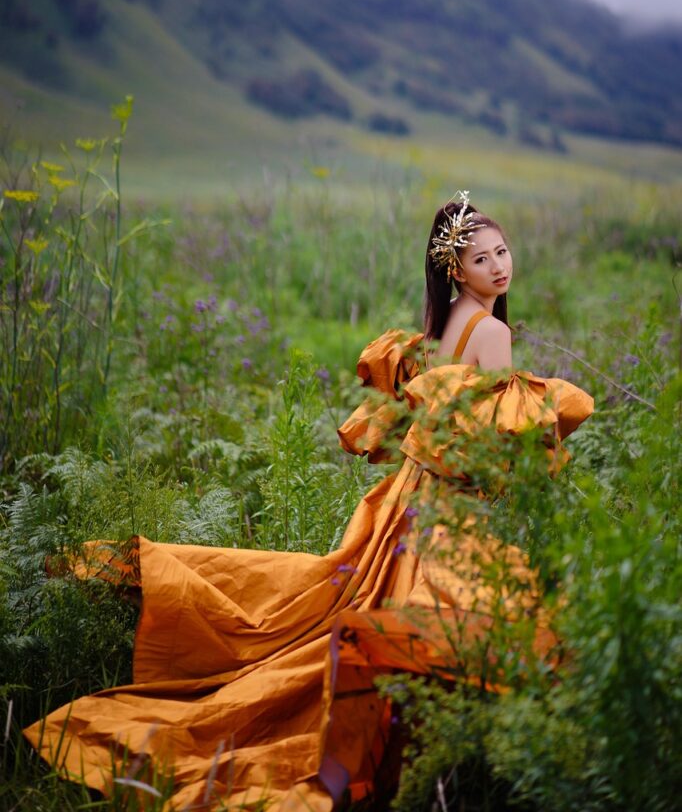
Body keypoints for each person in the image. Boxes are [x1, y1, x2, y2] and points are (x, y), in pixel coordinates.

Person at [24, 193, 593, 812]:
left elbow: (429, 421)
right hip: (446, 502)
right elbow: (492, 443)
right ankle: (437, 753)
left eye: (503, 252)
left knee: (378, 601)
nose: (499, 266)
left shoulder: (441, 326)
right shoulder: (494, 332)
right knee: (451, 612)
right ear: (456, 270)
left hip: (408, 494)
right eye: (482, 259)